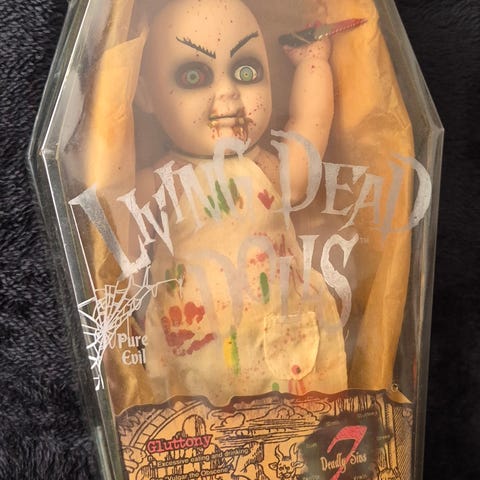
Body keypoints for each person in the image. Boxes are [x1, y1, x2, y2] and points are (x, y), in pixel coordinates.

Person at [133, 0, 349, 404]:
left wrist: (313, 65)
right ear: (146, 93)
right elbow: (115, 240)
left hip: (281, 351)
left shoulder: (263, 167)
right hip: (194, 366)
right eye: (194, 76)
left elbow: (306, 133)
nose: (228, 92)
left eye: (246, 71)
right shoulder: (164, 181)